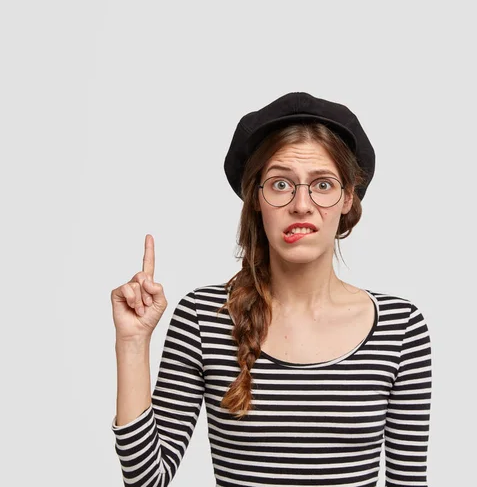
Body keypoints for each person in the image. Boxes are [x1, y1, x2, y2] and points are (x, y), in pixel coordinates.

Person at [110, 91, 433, 487]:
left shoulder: (400, 328)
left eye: (323, 184)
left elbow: (409, 481)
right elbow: (147, 480)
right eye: (281, 184)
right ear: (256, 198)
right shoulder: (202, 316)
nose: (301, 204)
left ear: (348, 197)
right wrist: (132, 343)